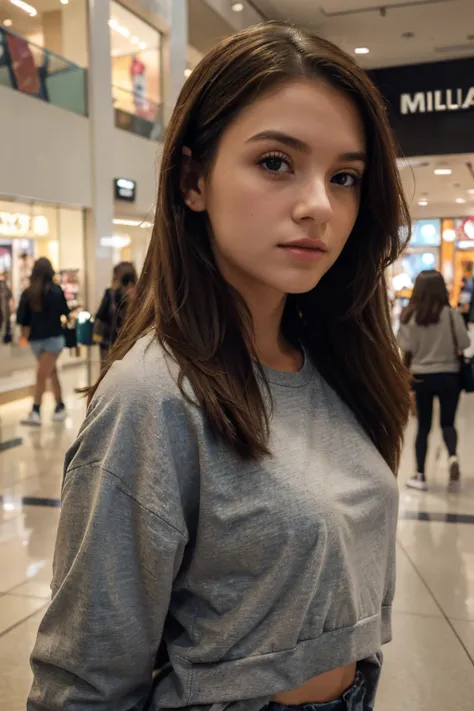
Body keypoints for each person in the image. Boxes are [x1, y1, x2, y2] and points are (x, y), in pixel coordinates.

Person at [28, 23, 411, 711]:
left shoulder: (332, 365)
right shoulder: (155, 395)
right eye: (275, 162)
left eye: (345, 176)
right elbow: (84, 682)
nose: (319, 204)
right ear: (192, 180)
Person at [398, 270, 470, 491]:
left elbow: (405, 346)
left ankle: (420, 475)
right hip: (449, 376)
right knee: (448, 422)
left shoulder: (409, 317)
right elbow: (465, 343)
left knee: (424, 426)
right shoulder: (451, 314)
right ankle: (453, 458)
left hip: (421, 377)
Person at [16, 257, 70, 426]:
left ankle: (36, 410)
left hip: (37, 341)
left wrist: (24, 336)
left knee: (41, 375)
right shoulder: (56, 291)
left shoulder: (28, 293)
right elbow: (65, 312)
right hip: (54, 338)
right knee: (51, 372)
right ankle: (60, 405)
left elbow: (22, 320)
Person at [94, 261, 137, 365]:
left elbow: (100, 315)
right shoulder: (140, 292)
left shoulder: (110, 293)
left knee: (107, 370)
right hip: (130, 340)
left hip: (111, 340)